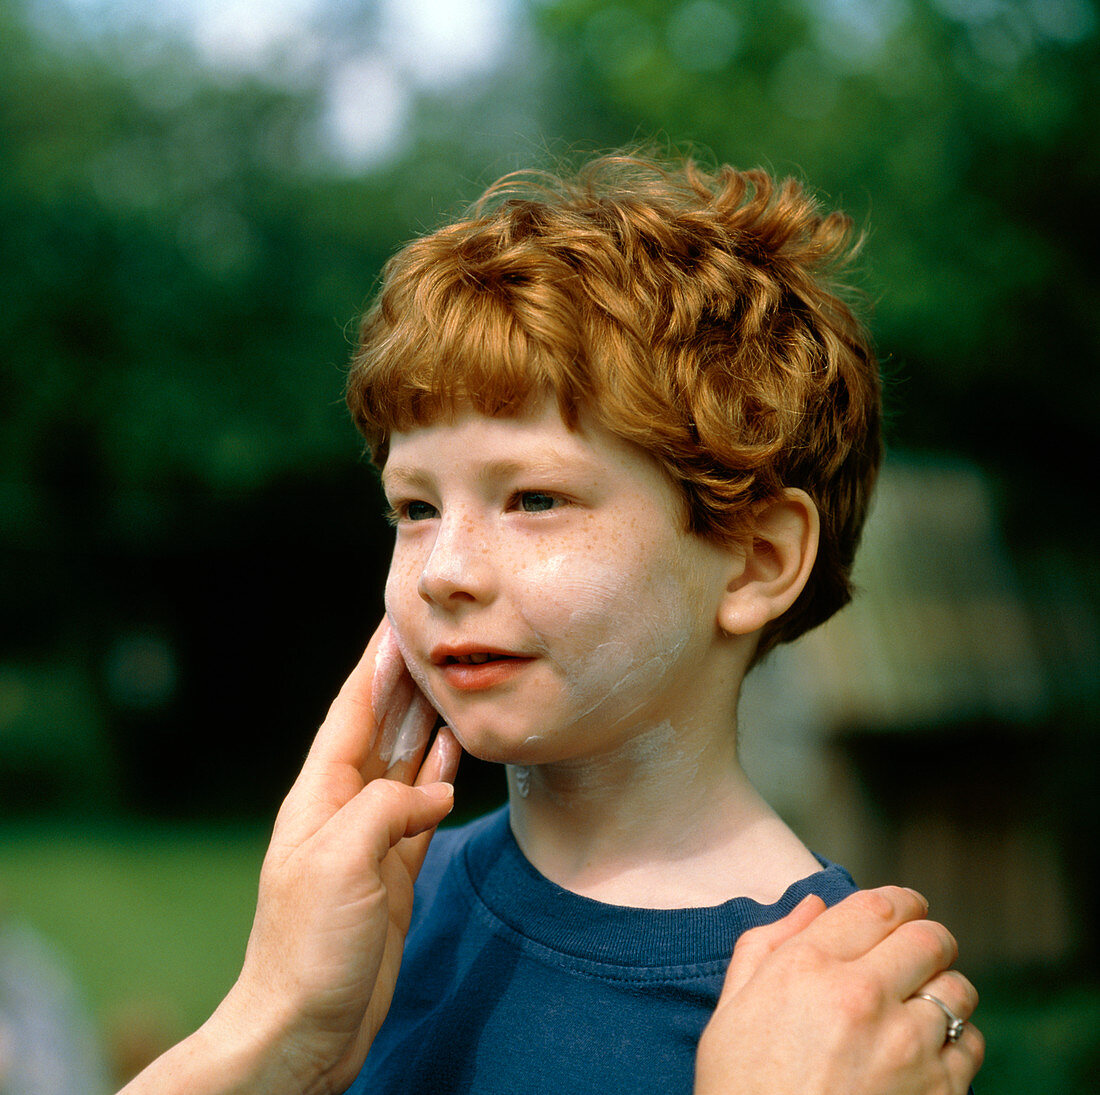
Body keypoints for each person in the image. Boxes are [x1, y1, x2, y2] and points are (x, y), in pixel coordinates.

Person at [119, 154, 983, 1094]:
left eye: (533, 498)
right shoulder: (374, 914)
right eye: (414, 508)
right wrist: (271, 1022)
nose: (444, 570)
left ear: (756, 559)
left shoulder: (850, 1027)